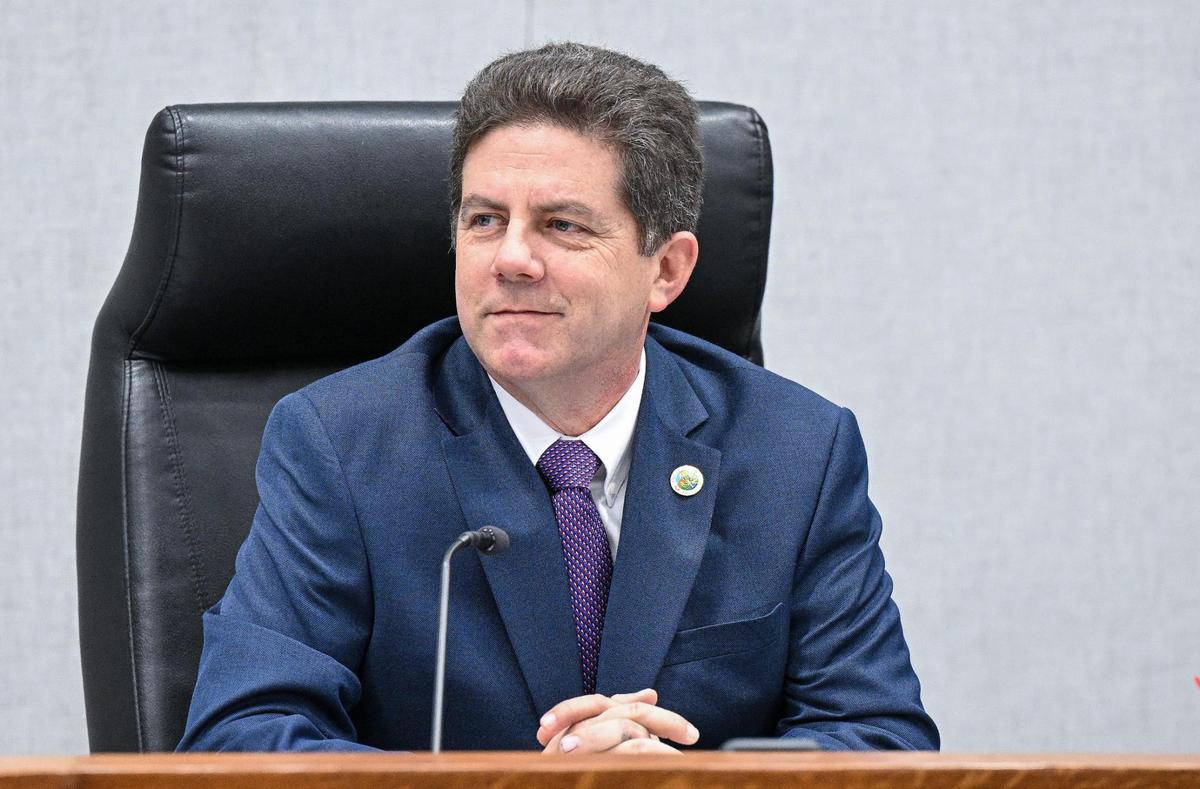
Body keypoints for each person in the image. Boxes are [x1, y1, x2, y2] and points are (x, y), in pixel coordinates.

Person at [178, 42, 939, 754]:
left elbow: (883, 738)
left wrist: (689, 781)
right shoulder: (343, 443)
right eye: (484, 220)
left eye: (561, 225)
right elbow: (241, 732)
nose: (511, 258)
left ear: (666, 270)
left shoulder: (796, 451)